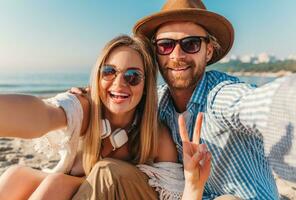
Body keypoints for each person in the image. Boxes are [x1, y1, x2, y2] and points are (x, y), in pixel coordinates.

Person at [72, 0, 296, 199]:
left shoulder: (220, 97)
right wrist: (89, 97)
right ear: (156, 52)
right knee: (106, 172)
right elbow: (120, 103)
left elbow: (258, 104)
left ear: (208, 51)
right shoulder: (157, 102)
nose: (177, 55)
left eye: (191, 44)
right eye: (165, 45)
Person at [0, 34, 212, 200]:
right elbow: (43, 114)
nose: (119, 83)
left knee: (64, 182)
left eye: (132, 76)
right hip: (86, 189)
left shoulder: (156, 136)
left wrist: (194, 182)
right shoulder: (85, 106)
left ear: (146, 86)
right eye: (109, 72)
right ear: (98, 75)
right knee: (16, 175)